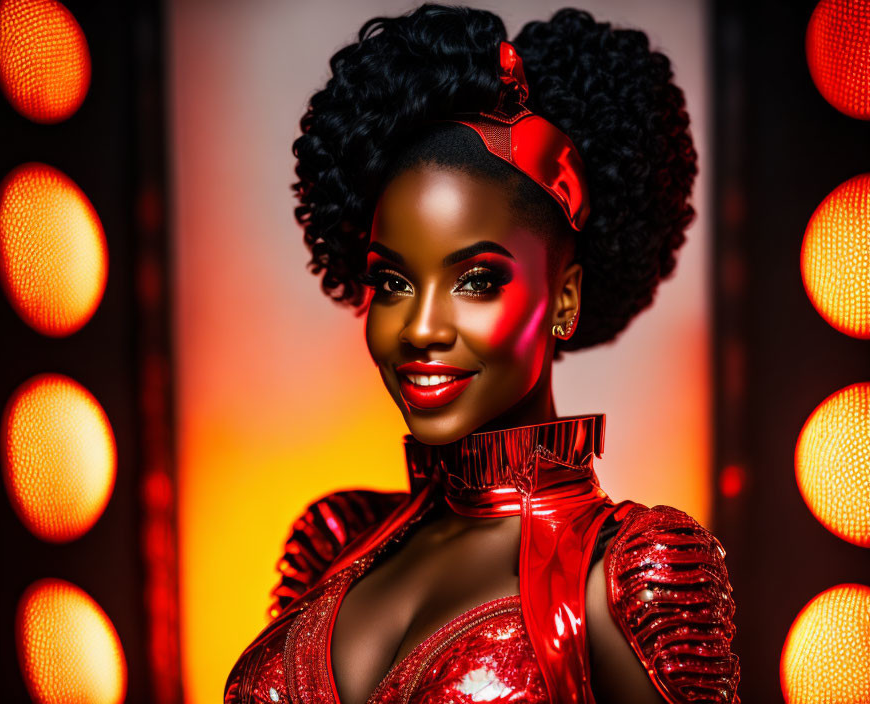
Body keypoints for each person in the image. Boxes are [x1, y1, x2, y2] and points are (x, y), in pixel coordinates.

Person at [225, 5, 740, 703]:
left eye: (475, 281)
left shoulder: (624, 576)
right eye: (393, 281)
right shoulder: (333, 538)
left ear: (564, 300)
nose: (421, 328)